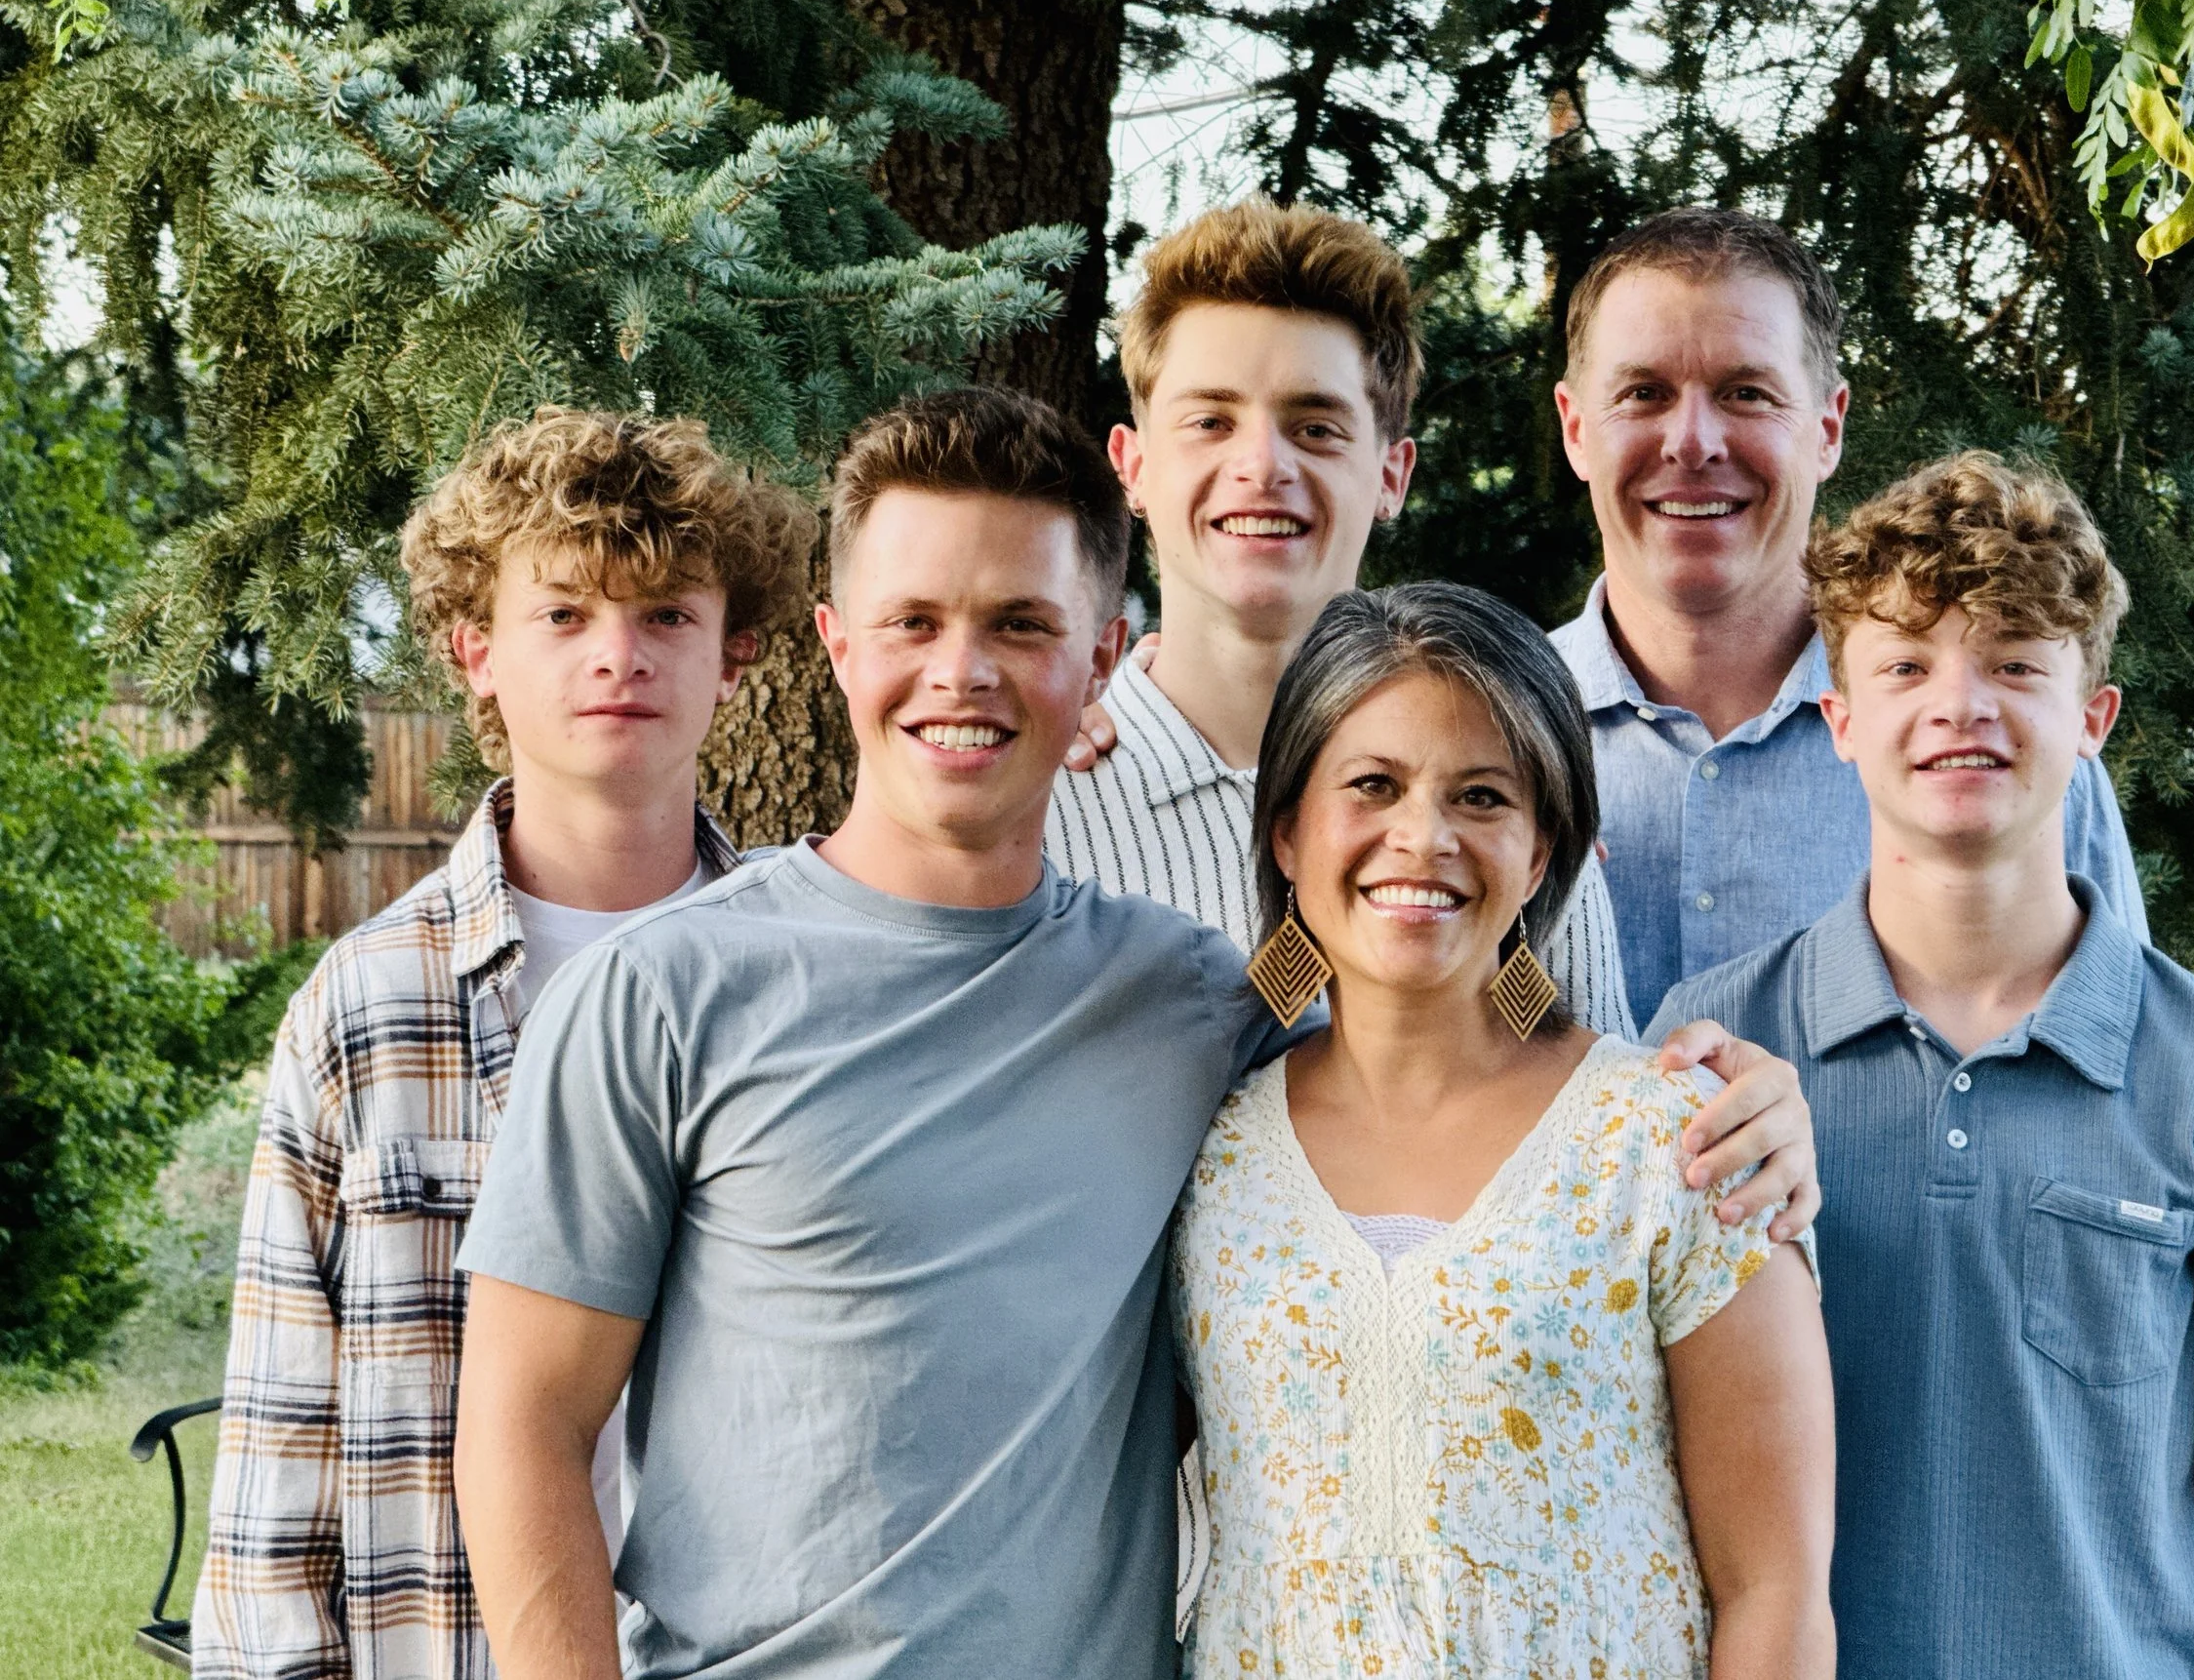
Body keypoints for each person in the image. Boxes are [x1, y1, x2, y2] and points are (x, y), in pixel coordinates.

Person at [449, 386, 1305, 1680]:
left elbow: (1452, 1070)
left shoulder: (1194, 1004)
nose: (959, 673)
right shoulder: (658, 996)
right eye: (914, 622)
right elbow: (521, 1421)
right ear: (837, 643)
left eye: (1021, 625)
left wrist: (1698, 1082)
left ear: (1105, 659)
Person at [1646, 453, 2194, 1678]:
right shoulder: (1714, 1048)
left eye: (2017, 665)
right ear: (1840, 720)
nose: (1959, 706)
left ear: (2093, 719)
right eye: (1907, 666)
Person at [1060, 198, 1819, 1245]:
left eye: (1317, 425)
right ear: (1132, 465)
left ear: (1390, 475)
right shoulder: (1043, 809)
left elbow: (1591, 1123)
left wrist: (1737, 1121)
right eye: (1210, 419)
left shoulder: (1493, 814)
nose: (1263, 465)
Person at [190, 408, 810, 1680]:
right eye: (566, 614)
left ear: (737, 653)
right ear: (475, 647)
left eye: (667, 617)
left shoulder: (804, 987)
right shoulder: (365, 1010)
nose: (618, 656)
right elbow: (278, 1452)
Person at [1173, 581, 1836, 1677]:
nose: (1421, 838)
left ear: (1540, 857)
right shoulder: (1206, 1144)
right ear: (1287, 832)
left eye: (1481, 796)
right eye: (1372, 787)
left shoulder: (1672, 1143)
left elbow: (1774, 1592)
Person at [1549, 206, 2149, 1029]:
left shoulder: (2000, 753)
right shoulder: (1482, 748)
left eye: (1746, 393)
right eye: (1643, 393)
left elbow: (2119, 1081)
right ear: (1577, 429)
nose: (1693, 442)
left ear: (1827, 428)